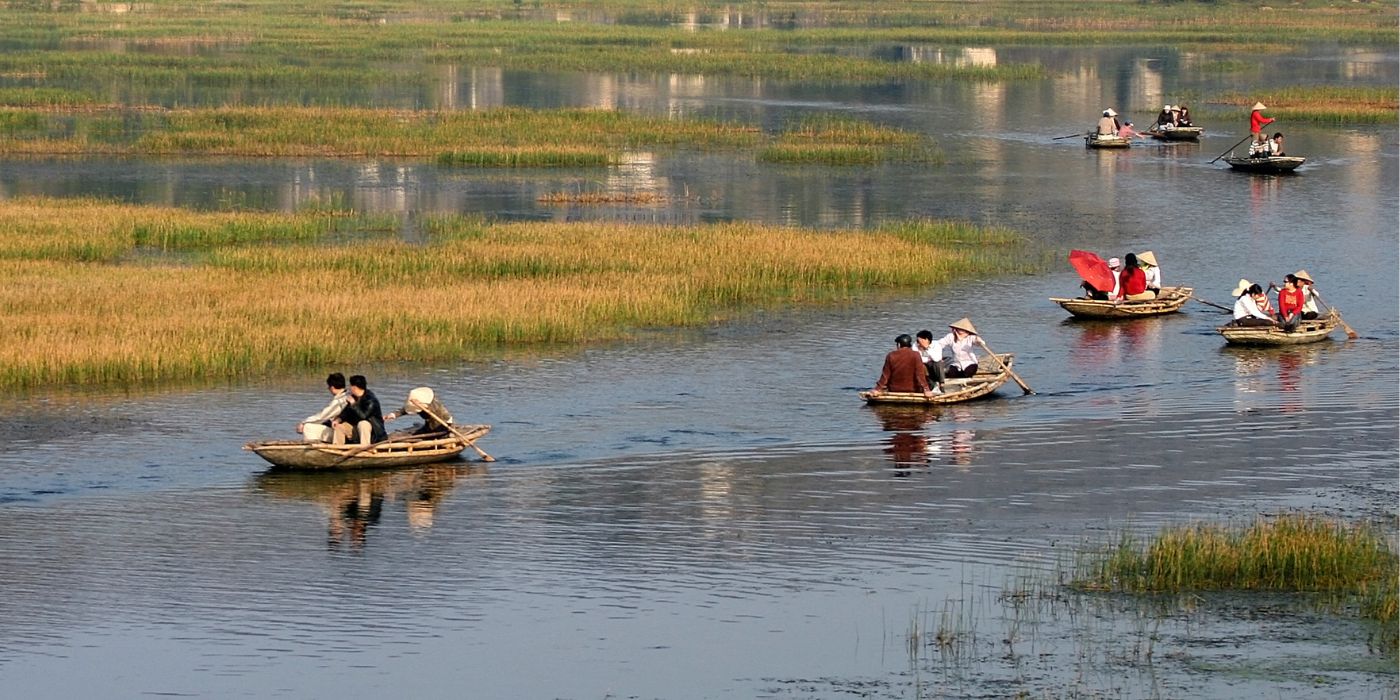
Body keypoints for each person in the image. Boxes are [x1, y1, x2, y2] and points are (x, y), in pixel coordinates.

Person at [870, 334, 935, 399]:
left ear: (899, 345)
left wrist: (877, 389)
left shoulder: (891, 355)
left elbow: (885, 376)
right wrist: (926, 390)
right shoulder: (916, 355)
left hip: (894, 389)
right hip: (913, 389)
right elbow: (920, 375)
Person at [926, 318, 983, 390]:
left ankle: (964, 385)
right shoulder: (951, 337)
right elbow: (940, 344)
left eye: (963, 329)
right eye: (959, 328)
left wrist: (979, 341)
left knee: (967, 373)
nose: (960, 330)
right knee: (950, 374)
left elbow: (978, 342)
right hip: (956, 363)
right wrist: (929, 346)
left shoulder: (971, 338)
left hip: (970, 363)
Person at [333, 374, 387, 446]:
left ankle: (365, 447)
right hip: (356, 430)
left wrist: (353, 404)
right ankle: (338, 447)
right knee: (339, 426)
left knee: (363, 423)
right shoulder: (354, 398)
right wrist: (338, 419)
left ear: (354, 387)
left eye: (350, 386)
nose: (349, 388)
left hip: (373, 434)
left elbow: (363, 416)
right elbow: (346, 412)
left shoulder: (371, 400)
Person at [297, 372, 349, 443]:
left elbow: (322, 416)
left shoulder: (339, 401)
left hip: (340, 432)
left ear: (332, 387)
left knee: (307, 427)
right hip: (342, 429)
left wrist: (303, 422)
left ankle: (312, 450)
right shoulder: (347, 396)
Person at [384, 386, 454, 435]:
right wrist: (393, 415)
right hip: (430, 425)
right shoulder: (420, 404)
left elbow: (437, 425)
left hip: (442, 426)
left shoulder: (434, 408)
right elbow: (405, 410)